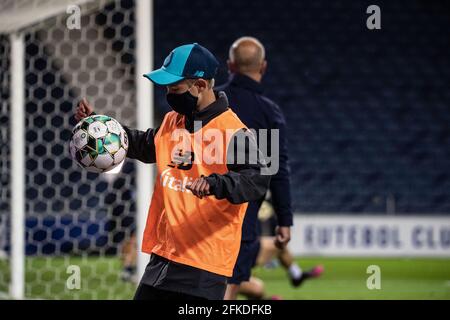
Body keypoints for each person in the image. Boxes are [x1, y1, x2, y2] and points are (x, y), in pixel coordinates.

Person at [75, 43, 271, 300]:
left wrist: (215, 183)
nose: (168, 93)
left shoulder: (233, 132)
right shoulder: (173, 121)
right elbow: (144, 145)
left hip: (203, 263)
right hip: (164, 255)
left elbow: (255, 180)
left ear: (200, 86)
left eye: (174, 88)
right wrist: (102, 130)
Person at [216, 36, 294, 300]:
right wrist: (284, 221)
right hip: (242, 218)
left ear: (230, 66)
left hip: (202, 215)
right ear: (263, 67)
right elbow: (278, 170)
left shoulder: (212, 102)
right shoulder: (268, 113)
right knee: (227, 292)